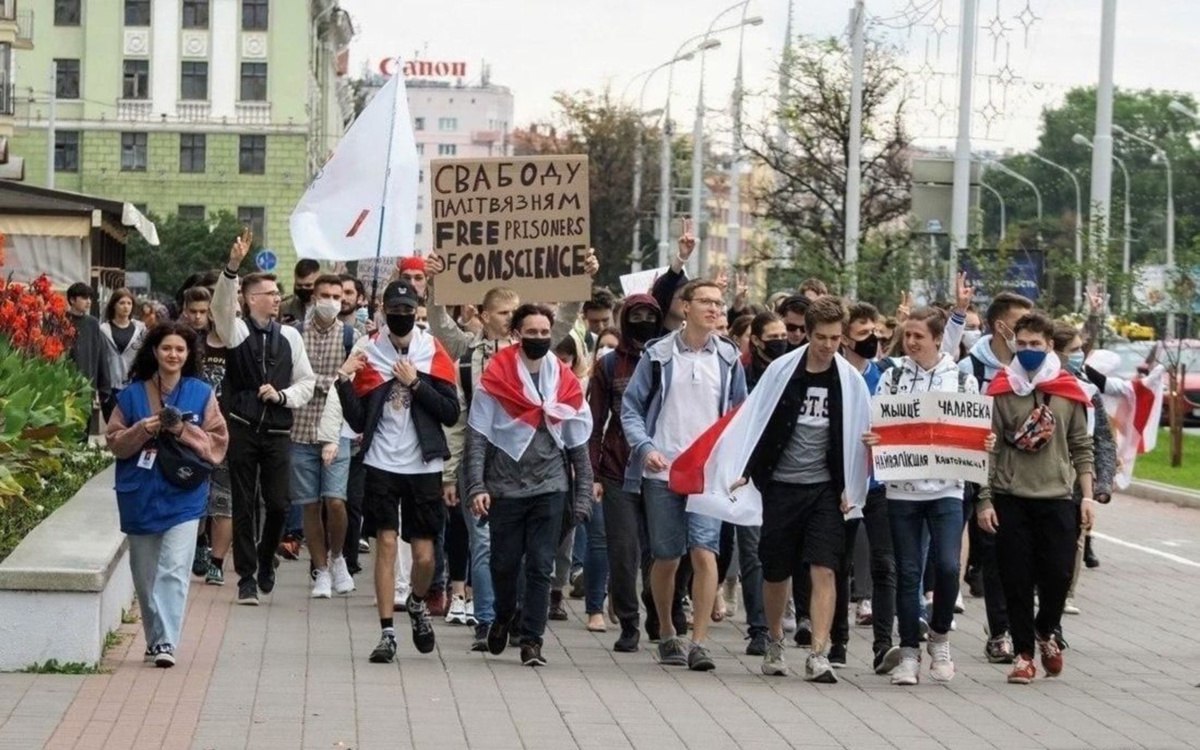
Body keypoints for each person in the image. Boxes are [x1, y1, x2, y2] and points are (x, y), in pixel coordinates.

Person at [621, 279, 748, 672]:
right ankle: (667, 630)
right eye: (706, 302)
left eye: (719, 303)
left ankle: (699, 643)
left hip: (706, 474)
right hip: (663, 472)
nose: (714, 309)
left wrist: (735, 464)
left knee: (705, 552)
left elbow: (740, 415)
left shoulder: (728, 358)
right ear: (685, 306)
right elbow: (631, 409)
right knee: (666, 556)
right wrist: (646, 449)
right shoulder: (657, 354)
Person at [863, 307, 994, 685]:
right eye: (908, 335)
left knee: (949, 567)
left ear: (938, 338)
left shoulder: (962, 379)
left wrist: (983, 441)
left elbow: (974, 427)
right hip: (903, 490)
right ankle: (908, 654)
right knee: (907, 572)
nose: (912, 341)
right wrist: (873, 438)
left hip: (947, 489)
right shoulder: (893, 377)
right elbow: (877, 422)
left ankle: (939, 638)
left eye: (919, 335)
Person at [335, 279, 460, 664]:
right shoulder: (370, 354)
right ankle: (387, 632)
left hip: (423, 464)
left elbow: (450, 412)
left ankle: (418, 603)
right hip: (381, 463)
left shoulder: (432, 351)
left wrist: (415, 383)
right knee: (385, 545)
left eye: (408, 310)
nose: (401, 317)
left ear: (417, 310)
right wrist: (344, 380)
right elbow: (358, 422)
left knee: (424, 557)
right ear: (383, 312)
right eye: (395, 311)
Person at [466, 304, 594, 667]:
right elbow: (477, 437)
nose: (538, 338)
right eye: (531, 332)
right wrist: (477, 486)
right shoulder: (495, 377)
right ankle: (505, 615)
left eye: (544, 332)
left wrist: (582, 494)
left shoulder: (564, 381)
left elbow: (577, 444)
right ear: (517, 334)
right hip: (505, 487)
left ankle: (532, 640)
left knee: (541, 565)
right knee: (504, 564)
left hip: (550, 488)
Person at [978, 311, 1094, 684]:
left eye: (1036, 345)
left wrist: (1088, 496)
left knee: (1058, 576)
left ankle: (1047, 631)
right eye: (1023, 344)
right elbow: (987, 450)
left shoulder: (1068, 389)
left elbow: (1081, 445)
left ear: (1049, 347)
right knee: (1016, 578)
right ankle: (1024, 654)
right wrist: (984, 498)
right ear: (1014, 345)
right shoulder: (1000, 390)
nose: (1028, 350)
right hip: (1012, 497)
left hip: (1059, 497)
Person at [105, 321, 229, 667]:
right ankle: (155, 637)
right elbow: (114, 443)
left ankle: (165, 644)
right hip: (140, 493)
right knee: (144, 577)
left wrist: (183, 429)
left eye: (180, 349)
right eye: (166, 348)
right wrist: (142, 429)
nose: (173, 354)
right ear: (154, 352)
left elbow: (217, 444)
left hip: (184, 494)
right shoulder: (130, 396)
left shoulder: (202, 393)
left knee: (174, 569)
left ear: (189, 355)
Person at [212, 231, 316, 605]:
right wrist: (233, 267)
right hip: (241, 427)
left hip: (276, 431)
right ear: (251, 298)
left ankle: (267, 555)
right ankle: (246, 577)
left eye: (277, 293)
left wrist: (283, 395)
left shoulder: (290, 336)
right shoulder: (235, 331)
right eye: (270, 293)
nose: (276, 298)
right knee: (243, 502)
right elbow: (220, 307)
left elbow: (307, 381)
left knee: (277, 504)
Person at [959, 290, 1034, 664]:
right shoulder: (970, 369)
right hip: (981, 473)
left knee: (1028, 556)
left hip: (1027, 478)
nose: (1026, 337)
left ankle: (1037, 626)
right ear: (1002, 326)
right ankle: (1000, 630)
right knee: (992, 553)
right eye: (1020, 327)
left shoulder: (1037, 370)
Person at [588, 294, 662, 653]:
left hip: (661, 468)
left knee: (661, 550)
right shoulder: (608, 366)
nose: (644, 321)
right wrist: (592, 473)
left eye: (651, 315)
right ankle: (629, 621)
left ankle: (659, 610)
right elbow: (595, 421)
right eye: (638, 315)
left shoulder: (668, 360)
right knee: (622, 549)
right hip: (617, 467)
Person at [838, 302, 901, 675]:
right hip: (842, 484)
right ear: (846, 338)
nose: (873, 341)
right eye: (863, 335)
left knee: (884, 564)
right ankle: (837, 644)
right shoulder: (835, 375)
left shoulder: (887, 376)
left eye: (876, 334)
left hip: (879, 482)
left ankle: (883, 646)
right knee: (838, 563)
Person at [288, 274, 360, 599]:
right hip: (299, 428)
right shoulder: (293, 334)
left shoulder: (350, 335)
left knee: (335, 500)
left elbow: (352, 379)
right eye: (325, 295)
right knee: (308, 503)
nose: (331, 301)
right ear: (313, 297)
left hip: (336, 430)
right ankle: (320, 570)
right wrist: (332, 379)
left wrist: (318, 381)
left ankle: (338, 557)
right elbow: (289, 375)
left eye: (336, 295)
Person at [1051, 321, 1116, 617]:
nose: (1080, 355)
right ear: (1056, 352)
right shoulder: (1034, 386)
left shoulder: (1088, 390)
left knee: (1074, 539)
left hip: (1078, 479)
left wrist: (1102, 484)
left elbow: (1103, 439)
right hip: (1043, 477)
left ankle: (1065, 593)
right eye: (1074, 350)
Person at [182, 287, 234, 586]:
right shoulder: (181, 342)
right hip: (190, 432)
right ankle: (200, 543)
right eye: (194, 311)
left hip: (224, 431)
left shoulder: (230, 342)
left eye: (205, 311)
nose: (199, 317)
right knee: (195, 495)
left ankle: (217, 561)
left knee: (224, 501)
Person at [66, 282, 112, 427]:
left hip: (86, 386)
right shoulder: (60, 321)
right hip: (64, 386)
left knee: (83, 428)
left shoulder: (92, 324)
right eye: (84, 297)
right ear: (72, 300)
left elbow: (100, 355)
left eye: (90, 298)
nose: (88, 301)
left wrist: (104, 387)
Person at [100, 288, 148, 410]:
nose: (126, 307)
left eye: (129, 303)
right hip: (111, 384)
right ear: (114, 305)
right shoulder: (103, 330)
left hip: (134, 383)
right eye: (121, 303)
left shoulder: (140, 329)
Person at [280, 258, 321, 324]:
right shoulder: (285, 307)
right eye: (299, 285)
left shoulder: (327, 307)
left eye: (308, 285)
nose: (303, 289)